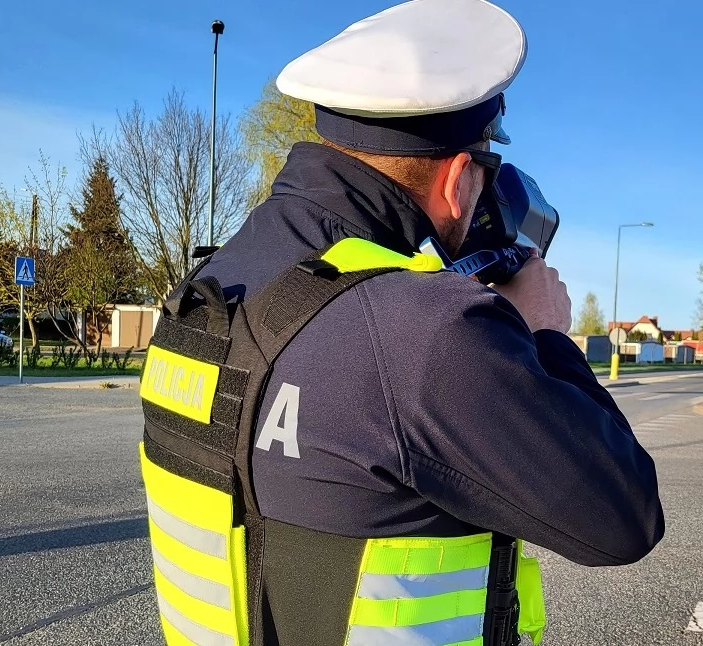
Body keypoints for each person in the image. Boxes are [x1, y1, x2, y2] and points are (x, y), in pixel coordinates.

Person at [136, 0, 664, 644]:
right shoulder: (425, 332)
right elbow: (621, 517)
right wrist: (546, 333)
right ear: (459, 178)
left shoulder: (209, 287)